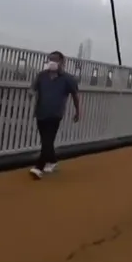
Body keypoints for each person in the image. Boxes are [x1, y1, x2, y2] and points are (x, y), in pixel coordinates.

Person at [29, 51, 81, 179]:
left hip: (55, 114)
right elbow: (32, 88)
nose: (52, 62)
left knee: (48, 139)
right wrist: (31, 93)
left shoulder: (68, 79)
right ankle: (52, 160)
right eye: (50, 59)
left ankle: (39, 167)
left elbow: (75, 95)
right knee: (46, 140)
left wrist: (78, 111)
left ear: (62, 62)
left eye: (55, 60)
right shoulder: (41, 75)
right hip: (41, 112)